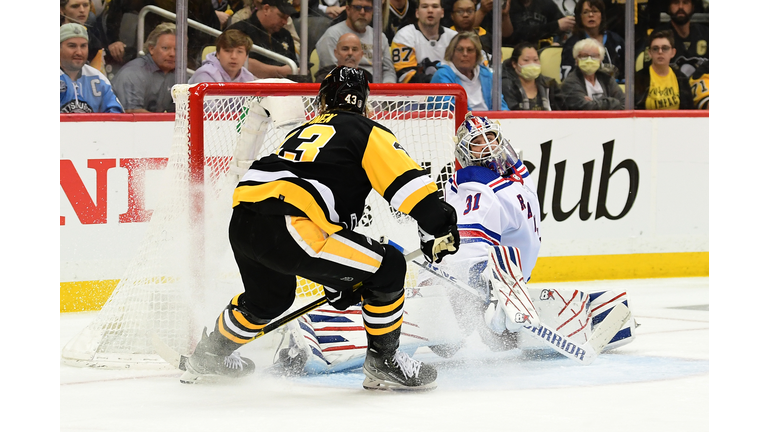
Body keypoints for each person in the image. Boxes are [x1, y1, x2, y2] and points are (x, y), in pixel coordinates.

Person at [270, 113, 638, 373]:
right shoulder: (482, 188)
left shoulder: (510, 179)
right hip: (458, 286)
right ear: (466, 154)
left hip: (491, 284)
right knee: (445, 332)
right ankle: (307, 334)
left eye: (493, 139)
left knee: (478, 336)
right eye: (479, 144)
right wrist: (480, 290)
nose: (490, 149)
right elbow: (470, 251)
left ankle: (494, 324)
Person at [181, 66, 460, 391]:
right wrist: (439, 224)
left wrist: (340, 279)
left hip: (244, 221)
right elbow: (410, 188)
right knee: (390, 266)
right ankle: (384, 360)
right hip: (292, 226)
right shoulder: (366, 131)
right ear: (363, 102)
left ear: (323, 101)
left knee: (268, 300)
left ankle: (209, 355)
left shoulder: (301, 131)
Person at [316, 0, 397, 83]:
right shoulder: (332, 35)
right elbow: (332, 71)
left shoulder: (380, 37)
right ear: (348, 10)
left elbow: (388, 71)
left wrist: (386, 88)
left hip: (377, 90)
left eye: (367, 8)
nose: (362, 12)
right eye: (357, 8)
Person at [431, 32, 510, 111]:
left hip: (488, 121)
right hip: (458, 122)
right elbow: (450, 110)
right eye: (460, 50)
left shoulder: (486, 74)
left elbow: (501, 106)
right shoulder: (442, 75)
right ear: (452, 53)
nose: (465, 54)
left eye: (470, 50)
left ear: (477, 54)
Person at [112, 22, 176, 113]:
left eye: (177, 49)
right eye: (165, 48)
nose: (172, 54)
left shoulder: (179, 74)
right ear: (151, 49)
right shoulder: (133, 73)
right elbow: (132, 112)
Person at [60, 23, 124, 113]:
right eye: (72, 46)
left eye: (83, 46)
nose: (79, 52)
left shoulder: (98, 78)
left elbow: (116, 115)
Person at [226, 0, 299, 79]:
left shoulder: (285, 35)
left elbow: (295, 64)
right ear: (266, 9)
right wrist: (279, 71)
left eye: (287, 18)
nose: (285, 22)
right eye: (281, 16)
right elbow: (240, 62)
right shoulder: (239, 31)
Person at [391, 0, 457, 83]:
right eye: (425, 6)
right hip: (415, 94)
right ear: (417, 13)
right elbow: (405, 76)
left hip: (450, 92)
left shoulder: (454, 38)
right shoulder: (403, 36)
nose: (430, 11)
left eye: (435, 6)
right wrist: (438, 81)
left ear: (442, 13)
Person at [559, 0, 625, 82]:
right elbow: (567, 79)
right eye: (586, 12)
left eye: (595, 11)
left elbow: (627, 72)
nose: (591, 15)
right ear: (580, 17)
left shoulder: (616, 41)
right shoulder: (572, 44)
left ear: (602, 16)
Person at [634, 30, 694, 110]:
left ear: (673, 52)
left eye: (665, 48)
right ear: (650, 53)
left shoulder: (681, 78)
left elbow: (689, 111)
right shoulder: (639, 78)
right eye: (655, 49)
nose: (660, 52)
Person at [560, 37, 625, 110]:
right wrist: (614, 102)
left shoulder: (607, 79)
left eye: (594, 56)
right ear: (576, 60)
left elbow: (624, 104)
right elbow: (586, 108)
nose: (589, 60)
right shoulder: (570, 83)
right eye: (584, 56)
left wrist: (594, 102)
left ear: (600, 60)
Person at [650, 0, 708, 78]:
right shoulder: (659, 36)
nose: (680, 7)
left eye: (685, 2)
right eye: (676, 2)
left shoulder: (706, 34)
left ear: (693, 6)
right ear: (669, 7)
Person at [501, 42, 563, 110]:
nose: (532, 64)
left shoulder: (549, 84)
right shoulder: (507, 85)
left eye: (536, 60)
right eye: (526, 60)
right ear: (514, 64)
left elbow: (562, 112)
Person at [188, 29, 256, 83]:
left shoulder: (248, 77)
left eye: (240, 51)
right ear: (218, 54)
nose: (234, 56)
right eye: (228, 51)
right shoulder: (205, 75)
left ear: (246, 57)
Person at [508, 0, 575, 48]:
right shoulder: (509, 5)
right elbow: (519, 34)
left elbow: (562, 25)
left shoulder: (546, 4)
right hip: (517, 51)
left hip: (544, 52)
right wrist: (555, 26)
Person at [61, 0, 106, 65]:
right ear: (61, 10)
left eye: (85, 5)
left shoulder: (95, 44)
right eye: (75, 6)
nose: (82, 10)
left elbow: (96, 73)